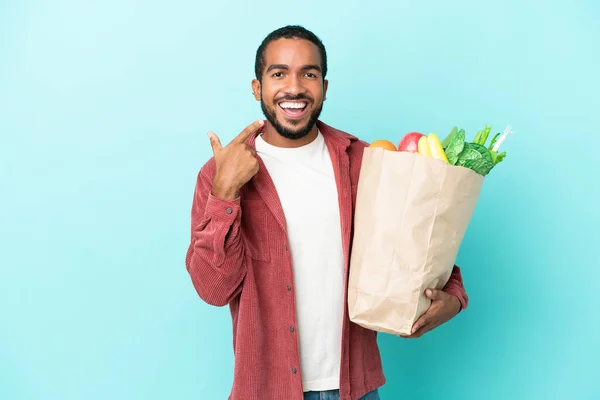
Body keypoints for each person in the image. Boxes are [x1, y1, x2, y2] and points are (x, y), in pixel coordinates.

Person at [185, 25, 468, 400]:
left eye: (309, 74)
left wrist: (453, 294)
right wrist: (225, 192)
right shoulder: (220, 173)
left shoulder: (362, 161)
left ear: (324, 87)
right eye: (279, 73)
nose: (295, 87)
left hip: (356, 387)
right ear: (257, 87)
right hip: (267, 390)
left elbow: (413, 236)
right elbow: (212, 289)